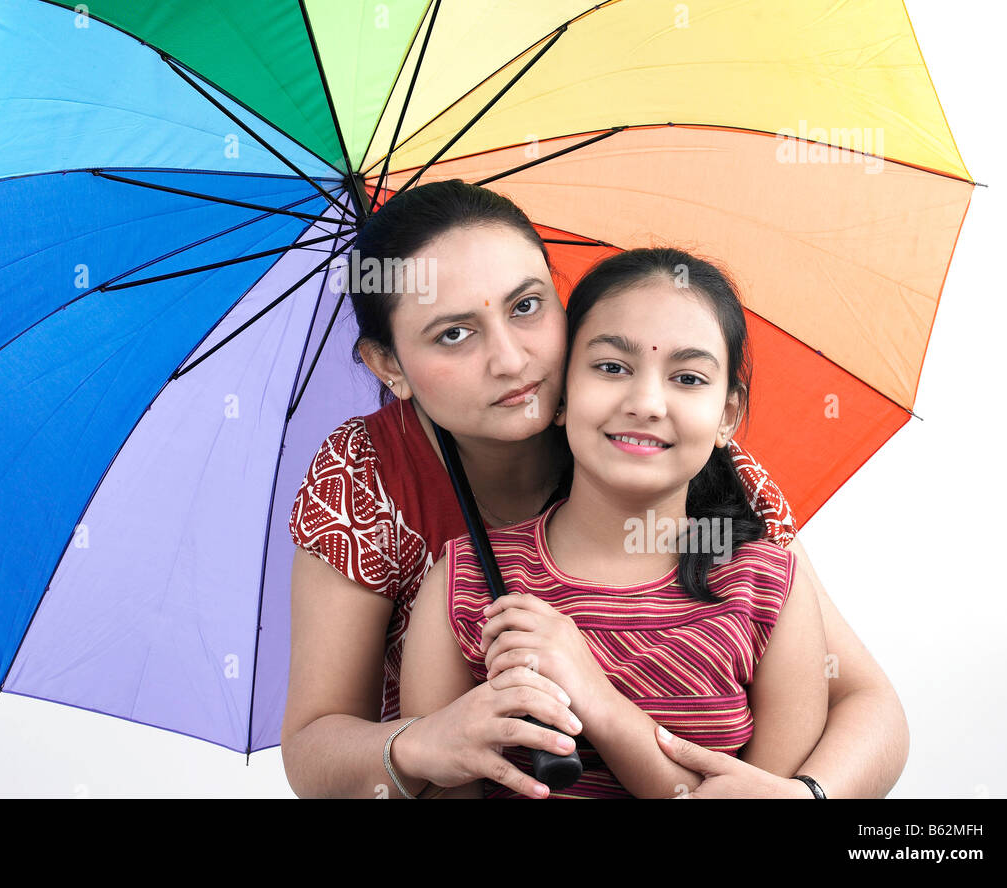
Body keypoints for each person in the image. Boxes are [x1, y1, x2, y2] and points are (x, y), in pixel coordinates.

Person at [280, 179, 907, 799]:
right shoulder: (366, 479)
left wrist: (806, 797)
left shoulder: (675, 456)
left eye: (526, 306)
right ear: (390, 365)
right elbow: (314, 744)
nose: (510, 360)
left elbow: (864, 700)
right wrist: (420, 743)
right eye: (454, 333)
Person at [400, 246, 829, 797]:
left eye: (689, 378)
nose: (647, 402)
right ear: (560, 393)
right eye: (611, 368)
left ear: (728, 416)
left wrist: (595, 698)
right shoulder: (464, 584)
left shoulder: (770, 587)